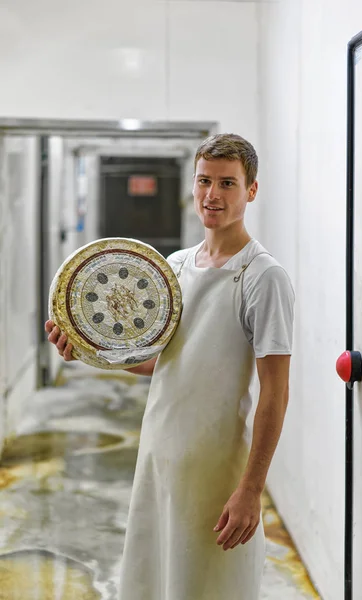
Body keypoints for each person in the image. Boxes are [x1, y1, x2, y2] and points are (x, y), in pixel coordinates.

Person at [45, 133, 295, 600]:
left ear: (252, 190)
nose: (212, 195)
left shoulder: (264, 277)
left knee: (211, 586)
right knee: (153, 581)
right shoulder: (175, 268)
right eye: (204, 181)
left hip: (216, 466)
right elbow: (165, 360)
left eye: (227, 183)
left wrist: (251, 490)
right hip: (159, 454)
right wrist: (87, 351)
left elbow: (275, 394)